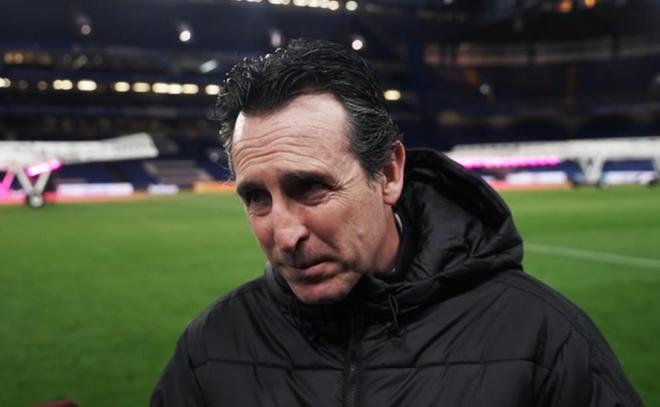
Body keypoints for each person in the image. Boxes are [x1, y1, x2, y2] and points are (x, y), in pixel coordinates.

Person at [151, 39, 642, 406]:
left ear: (388, 174)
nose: (284, 234)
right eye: (256, 197)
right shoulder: (210, 348)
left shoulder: (543, 336)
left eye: (311, 188)